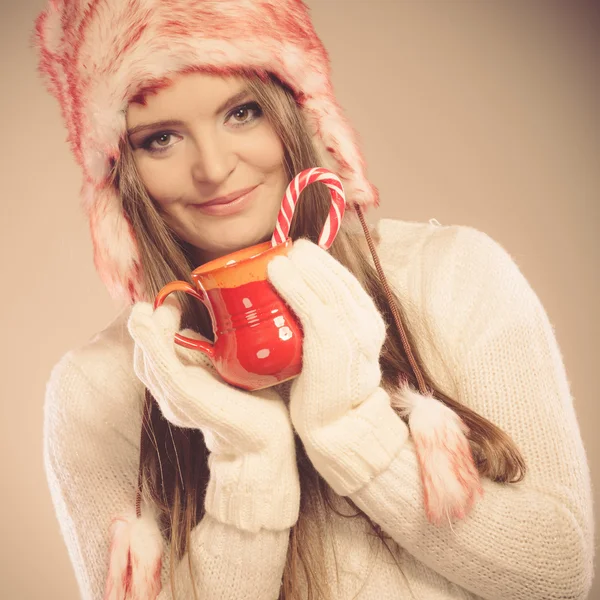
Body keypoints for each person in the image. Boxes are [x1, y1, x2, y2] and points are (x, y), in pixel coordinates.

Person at [32, 1, 594, 599]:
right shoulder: (96, 390)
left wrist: (353, 435)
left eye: (242, 112)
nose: (215, 169)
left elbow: (558, 579)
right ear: (120, 168)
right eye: (161, 138)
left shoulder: (453, 274)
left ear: (295, 111)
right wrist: (250, 466)